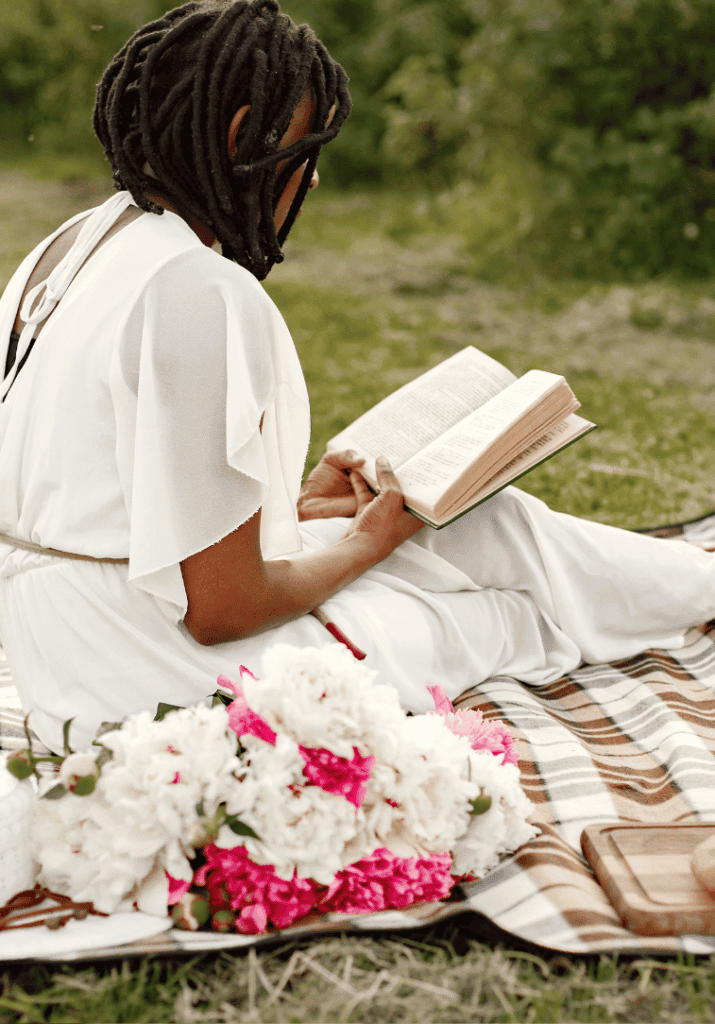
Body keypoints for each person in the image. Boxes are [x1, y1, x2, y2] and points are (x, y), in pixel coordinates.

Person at [0, 0, 714, 755]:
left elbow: (106, 507)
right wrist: (366, 545)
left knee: (485, 524)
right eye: (303, 152)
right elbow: (223, 608)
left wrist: (300, 508)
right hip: (161, 677)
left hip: (68, 646)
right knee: (505, 617)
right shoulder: (196, 290)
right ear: (245, 137)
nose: (308, 182)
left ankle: (699, 580)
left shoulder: (76, 242)